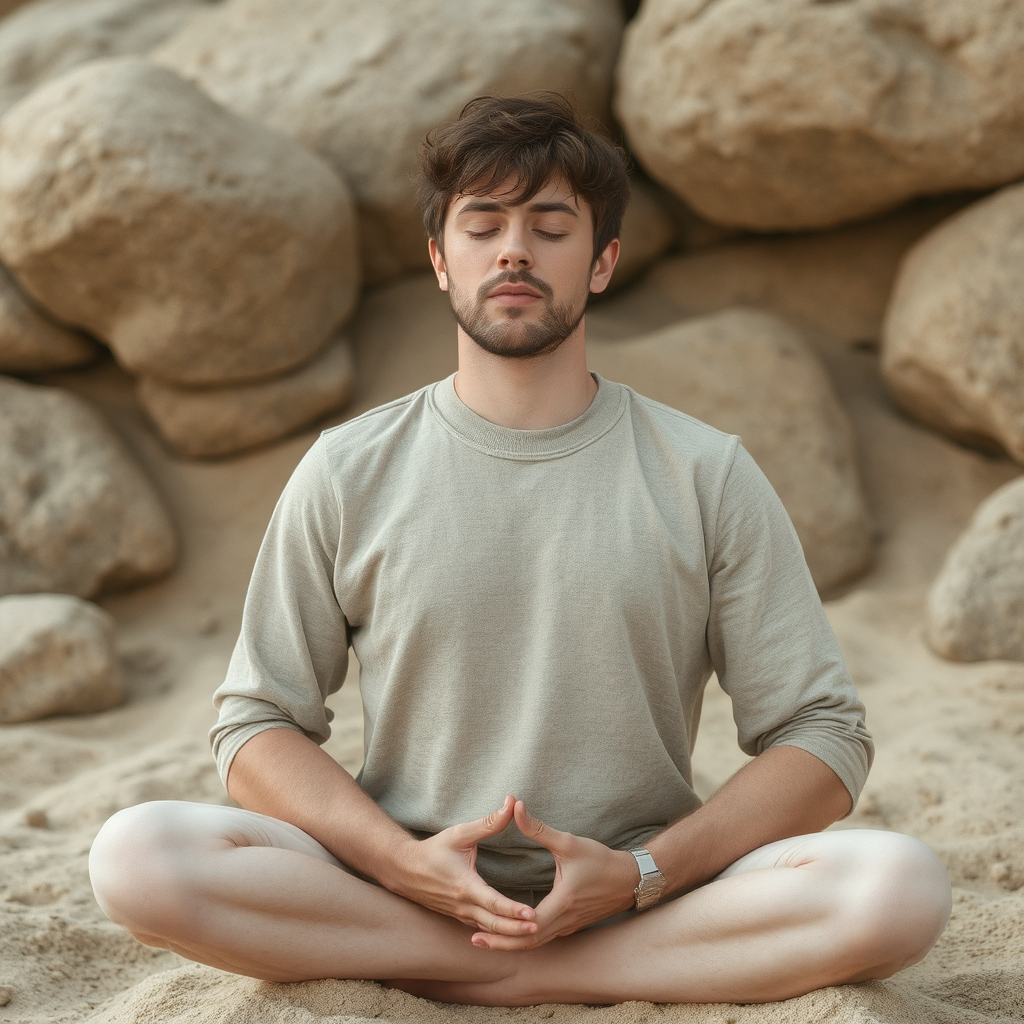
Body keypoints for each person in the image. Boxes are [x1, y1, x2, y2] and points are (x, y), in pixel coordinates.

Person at [88, 95, 951, 1006]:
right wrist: (403, 864)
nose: (514, 251)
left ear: (603, 261)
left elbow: (823, 735)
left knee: (897, 889)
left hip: (643, 899)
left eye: (550, 227)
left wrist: (642, 872)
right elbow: (255, 721)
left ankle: (515, 972)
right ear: (439, 259)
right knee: (137, 858)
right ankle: (514, 968)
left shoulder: (706, 474)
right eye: (483, 225)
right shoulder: (348, 470)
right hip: (402, 892)